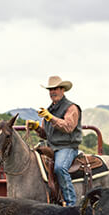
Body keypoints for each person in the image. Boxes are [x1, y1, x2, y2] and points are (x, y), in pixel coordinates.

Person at [25, 75, 82, 206]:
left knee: (60, 168)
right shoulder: (49, 110)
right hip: (52, 147)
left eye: (55, 89)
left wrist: (50, 117)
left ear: (63, 90)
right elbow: (46, 135)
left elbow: (68, 127)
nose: (52, 92)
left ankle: (71, 203)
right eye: (50, 90)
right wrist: (37, 128)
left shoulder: (71, 108)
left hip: (67, 147)